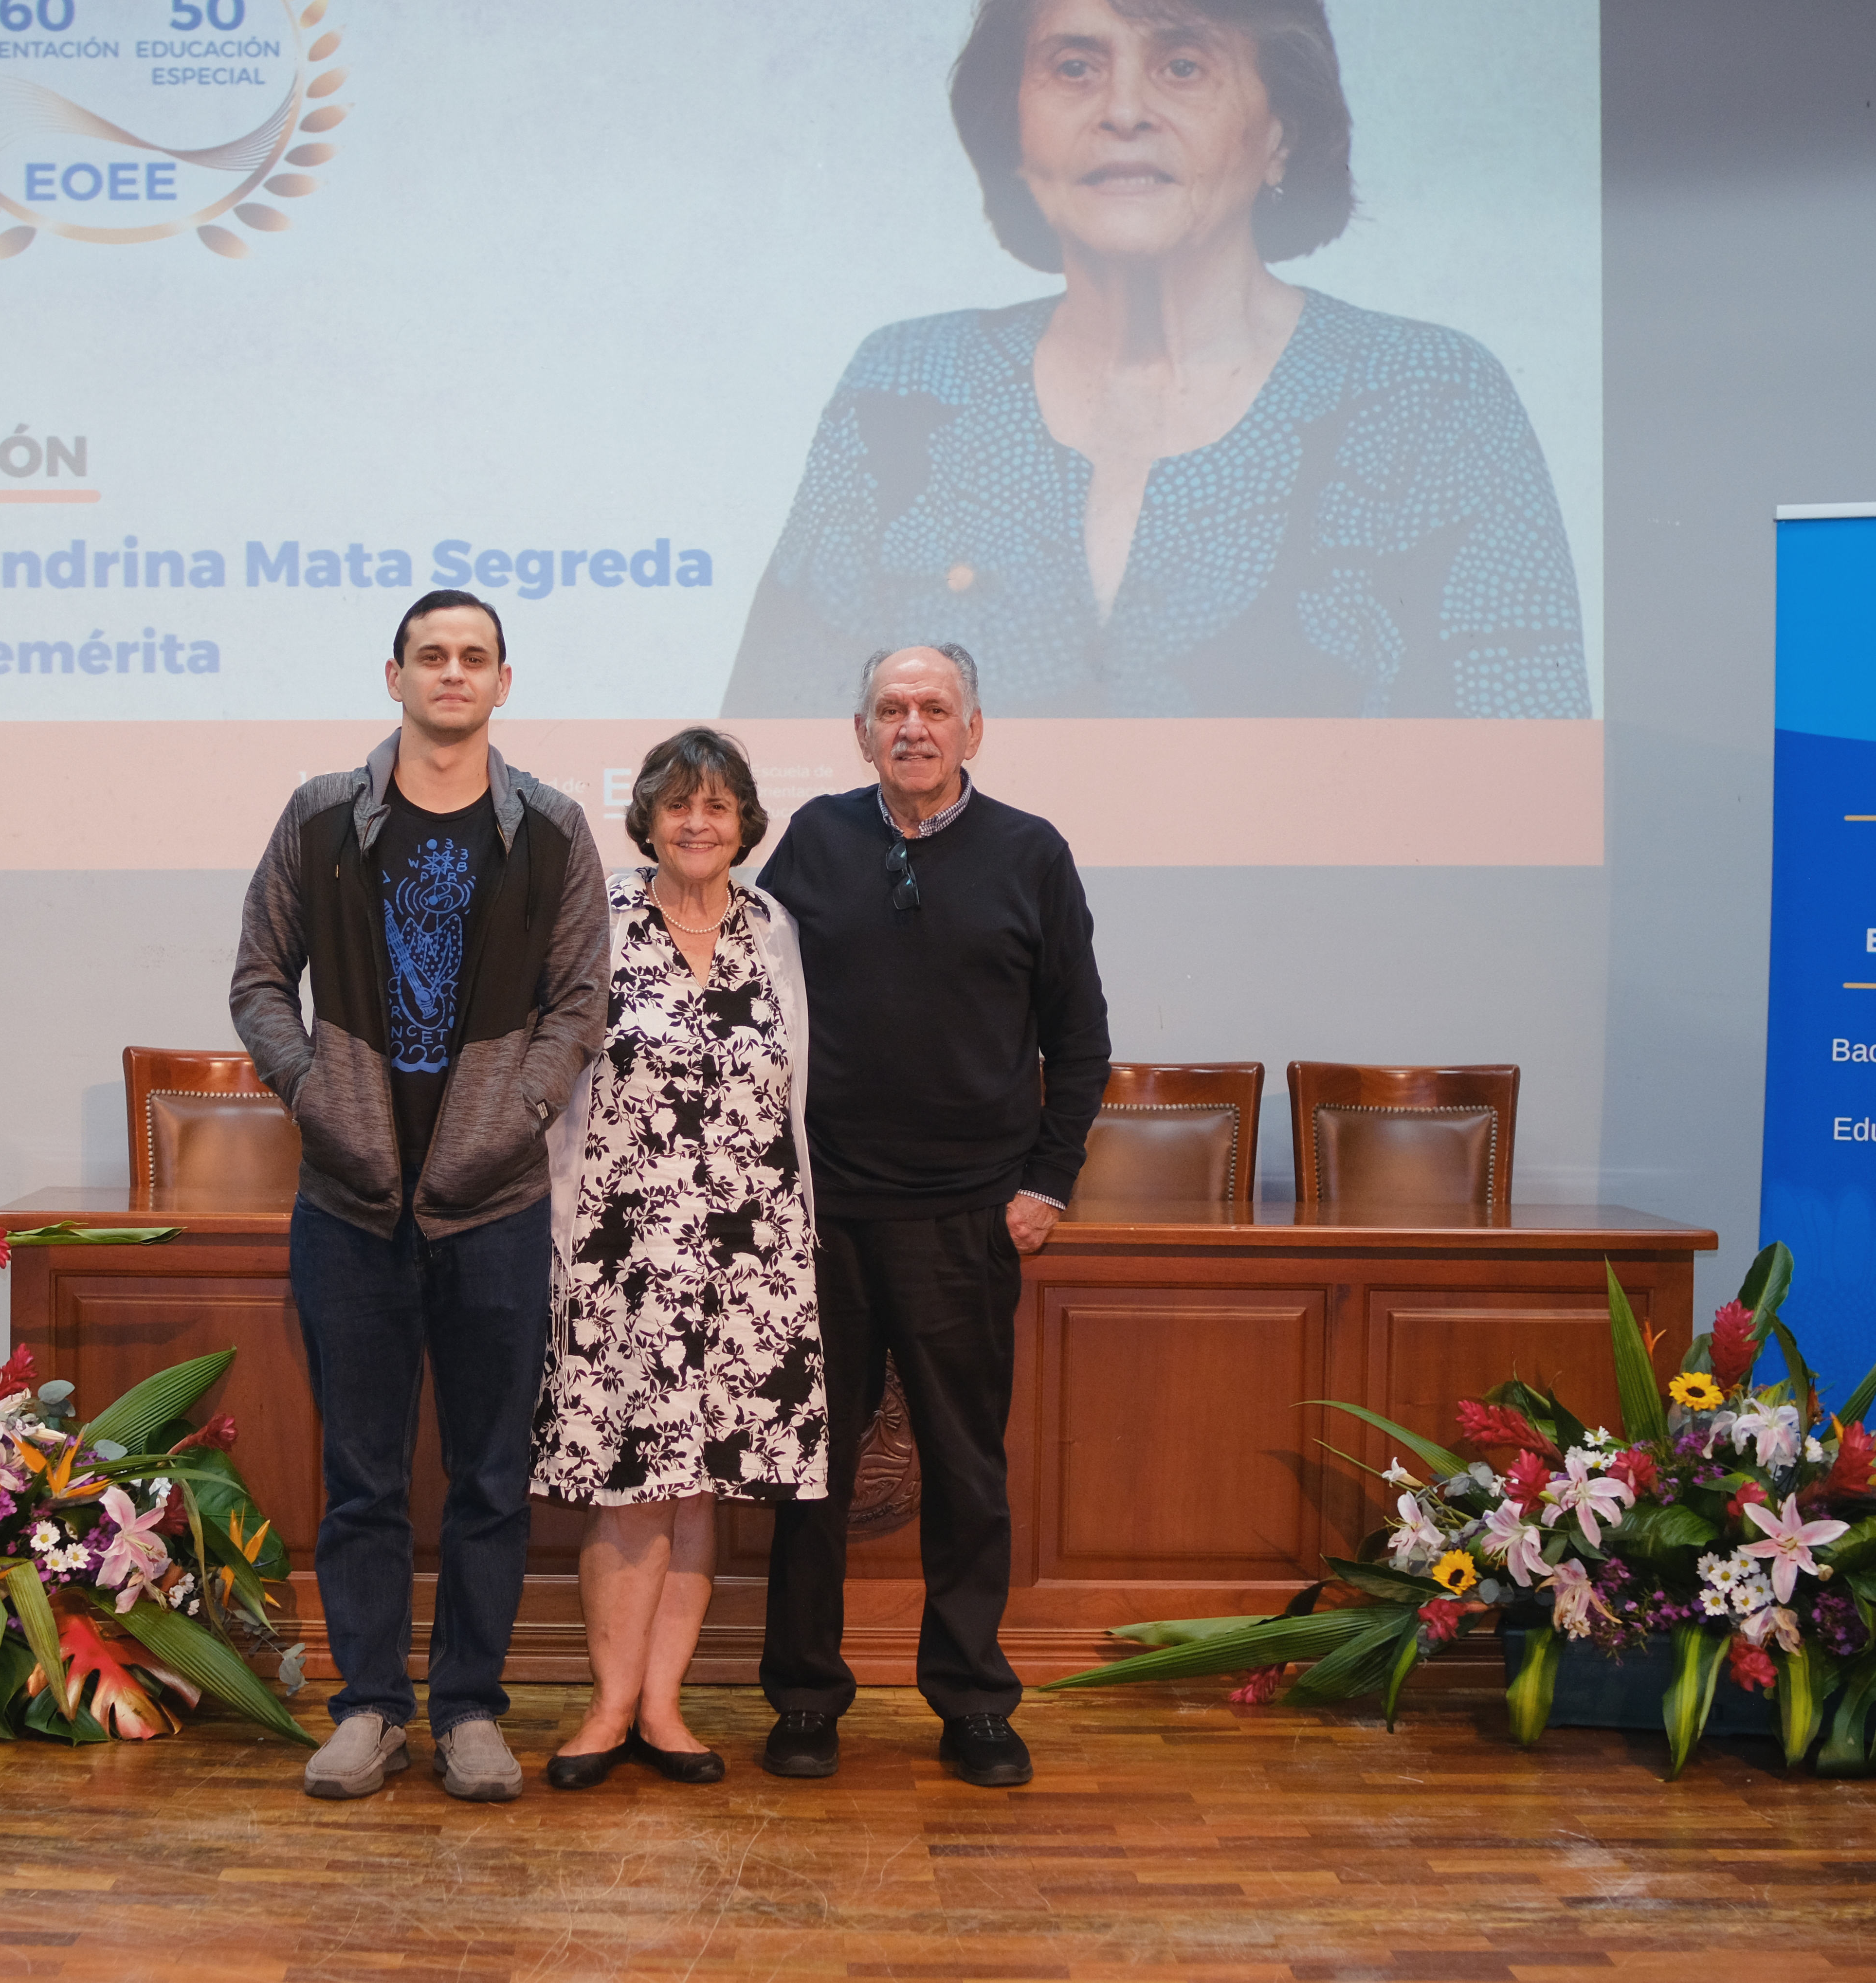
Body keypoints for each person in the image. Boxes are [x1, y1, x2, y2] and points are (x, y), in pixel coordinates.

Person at [722, 0, 1589, 721]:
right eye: (1074, 67)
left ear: (1283, 132)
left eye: (1183, 66)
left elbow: (1532, 802)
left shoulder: (1431, 398)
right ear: (1016, 130)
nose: (1124, 111)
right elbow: (762, 784)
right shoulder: (903, 386)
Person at [229, 588, 608, 1803]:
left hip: (491, 1203)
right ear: (391, 675)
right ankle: (368, 1708)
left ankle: (471, 1713)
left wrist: (512, 1118)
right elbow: (255, 983)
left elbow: (577, 1009)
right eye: (431, 656)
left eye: (474, 657)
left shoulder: (549, 828)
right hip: (347, 1204)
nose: (452, 674)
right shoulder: (320, 816)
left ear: (504, 681)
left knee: (492, 1474)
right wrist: (314, 1100)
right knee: (363, 1474)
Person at [753, 642, 1110, 1788]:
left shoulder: (1028, 852)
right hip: (822, 1217)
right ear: (861, 733)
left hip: (966, 1218)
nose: (913, 725)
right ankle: (805, 1698)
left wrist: (1044, 1183)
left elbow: (1080, 1037)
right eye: (891, 709)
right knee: (807, 1470)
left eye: (934, 708)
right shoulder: (813, 837)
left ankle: (970, 1701)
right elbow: (756, 1008)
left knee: (966, 1471)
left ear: (972, 729)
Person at [530, 728, 825, 1790]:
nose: (698, 823)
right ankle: (607, 1709)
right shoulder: (596, 921)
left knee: (698, 1489)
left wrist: (795, 1243)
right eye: (676, 806)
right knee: (628, 1484)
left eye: (718, 806)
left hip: (751, 1261)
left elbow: (791, 1094)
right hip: (620, 1252)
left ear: (746, 822)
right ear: (644, 817)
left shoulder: (773, 926)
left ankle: (664, 1707)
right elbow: (554, 1085)